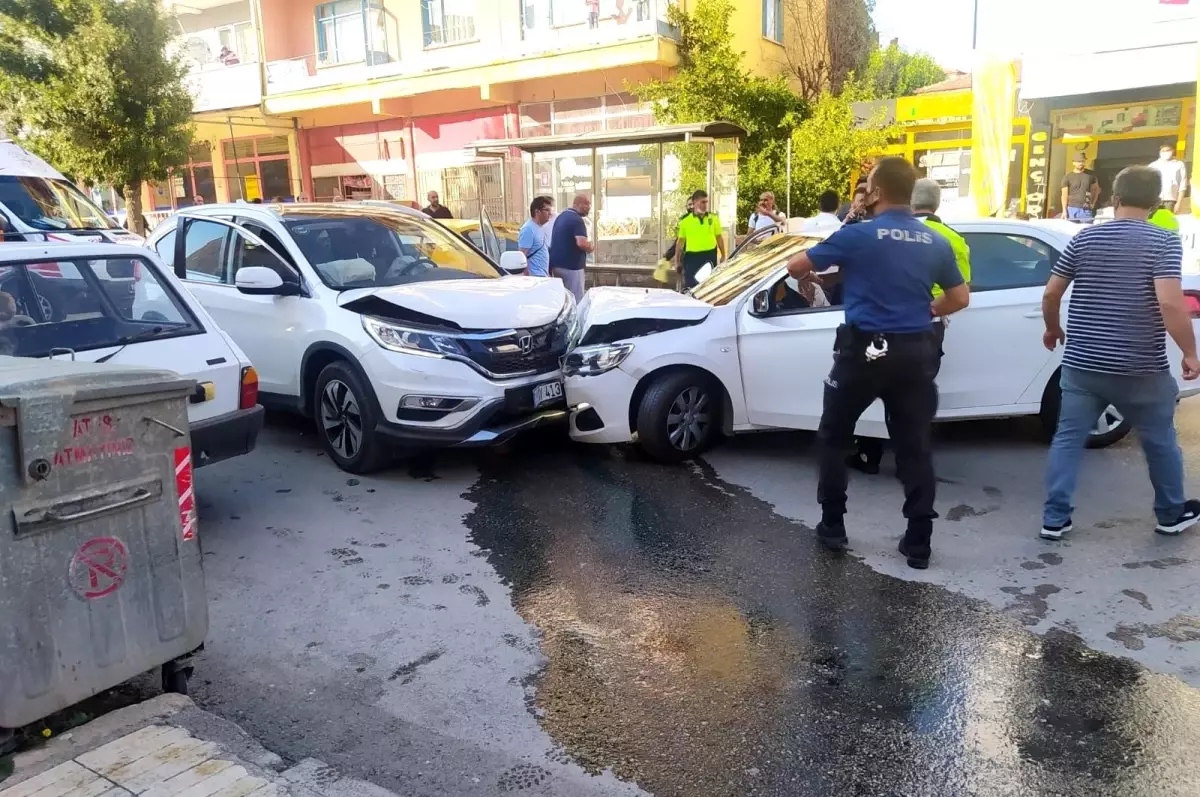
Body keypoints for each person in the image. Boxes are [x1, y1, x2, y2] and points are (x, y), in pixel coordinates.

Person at [785, 157, 969, 569]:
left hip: (864, 350)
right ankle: (918, 542)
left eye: (867, 186)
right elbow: (959, 298)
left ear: (877, 192)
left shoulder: (859, 235)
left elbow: (796, 265)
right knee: (914, 445)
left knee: (834, 435)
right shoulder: (935, 241)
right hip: (916, 350)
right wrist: (923, 311)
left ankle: (833, 526)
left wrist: (848, 230)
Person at [1041, 165, 1200, 540]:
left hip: (1082, 364)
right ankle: (1170, 513)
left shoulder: (1084, 239)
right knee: (1159, 439)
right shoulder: (1163, 241)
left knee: (1067, 438)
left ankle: (1054, 519)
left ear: (1114, 198)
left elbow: (1051, 292)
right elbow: (1170, 303)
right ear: (1156, 201)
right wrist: (1190, 352)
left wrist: (1052, 327)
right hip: (1140, 366)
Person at [849, 177, 972, 475]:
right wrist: (930, 309)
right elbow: (961, 289)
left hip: (884, 323)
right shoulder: (952, 238)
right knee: (914, 395)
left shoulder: (888, 232)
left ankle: (869, 454)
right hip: (928, 327)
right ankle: (909, 463)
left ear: (910, 201)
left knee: (872, 386)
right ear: (937, 203)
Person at [674, 189, 725, 289]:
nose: (705, 205)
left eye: (706, 202)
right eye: (702, 202)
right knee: (692, 287)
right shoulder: (685, 221)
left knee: (708, 286)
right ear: (694, 203)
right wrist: (677, 261)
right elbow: (680, 242)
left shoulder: (713, 218)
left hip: (709, 256)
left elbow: (719, 237)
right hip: (692, 258)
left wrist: (723, 255)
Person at [548, 193, 593, 301]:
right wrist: (591, 247)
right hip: (572, 268)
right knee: (576, 300)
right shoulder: (577, 220)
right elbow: (581, 243)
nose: (589, 207)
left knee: (563, 299)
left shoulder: (561, 217)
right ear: (577, 204)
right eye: (586, 203)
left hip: (557, 266)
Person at [1149, 142, 1188, 215]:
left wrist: (1178, 203)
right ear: (1160, 152)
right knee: (1154, 223)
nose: (1166, 153)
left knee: (1167, 223)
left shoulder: (1179, 165)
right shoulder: (1153, 166)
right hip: (1155, 200)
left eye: (1168, 150)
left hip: (1170, 200)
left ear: (1173, 151)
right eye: (1163, 151)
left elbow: (1182, 185)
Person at [519, 196, 553, 277]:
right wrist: (528, 277)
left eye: (550, 210)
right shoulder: (528, 229)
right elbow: (522, 256)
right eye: (547, 210)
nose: (550, 214)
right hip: (535, 278)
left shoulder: (539, 227)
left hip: (542, 276)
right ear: (537, 212)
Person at [1061, 153, 1100, 220]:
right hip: (1071, 209)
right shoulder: (1067, 177)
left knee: (1086, 229)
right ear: (1073, 162)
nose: (1081, 163)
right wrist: (1064, 210)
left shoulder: (1091, 175)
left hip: (1086, 209)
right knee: (1071, 229)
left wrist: (1092, 203)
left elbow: (1095, 190)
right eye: (1079, 161)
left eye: (1083, 161)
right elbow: (1064, 195)